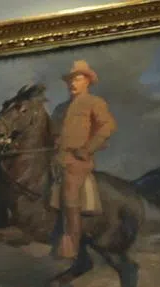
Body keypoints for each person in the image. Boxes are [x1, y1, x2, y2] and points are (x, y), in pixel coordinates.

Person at [53, 59, 116, 260]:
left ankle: (71, 242)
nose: (72, 83)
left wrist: (88, 149)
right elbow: (52, 133)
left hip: (77, 160)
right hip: (56, 158)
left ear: (87, 81)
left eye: (77, 79)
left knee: (70, 190)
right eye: (70, 80)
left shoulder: (94, 103)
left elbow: (107, 127)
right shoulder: (60, 108)